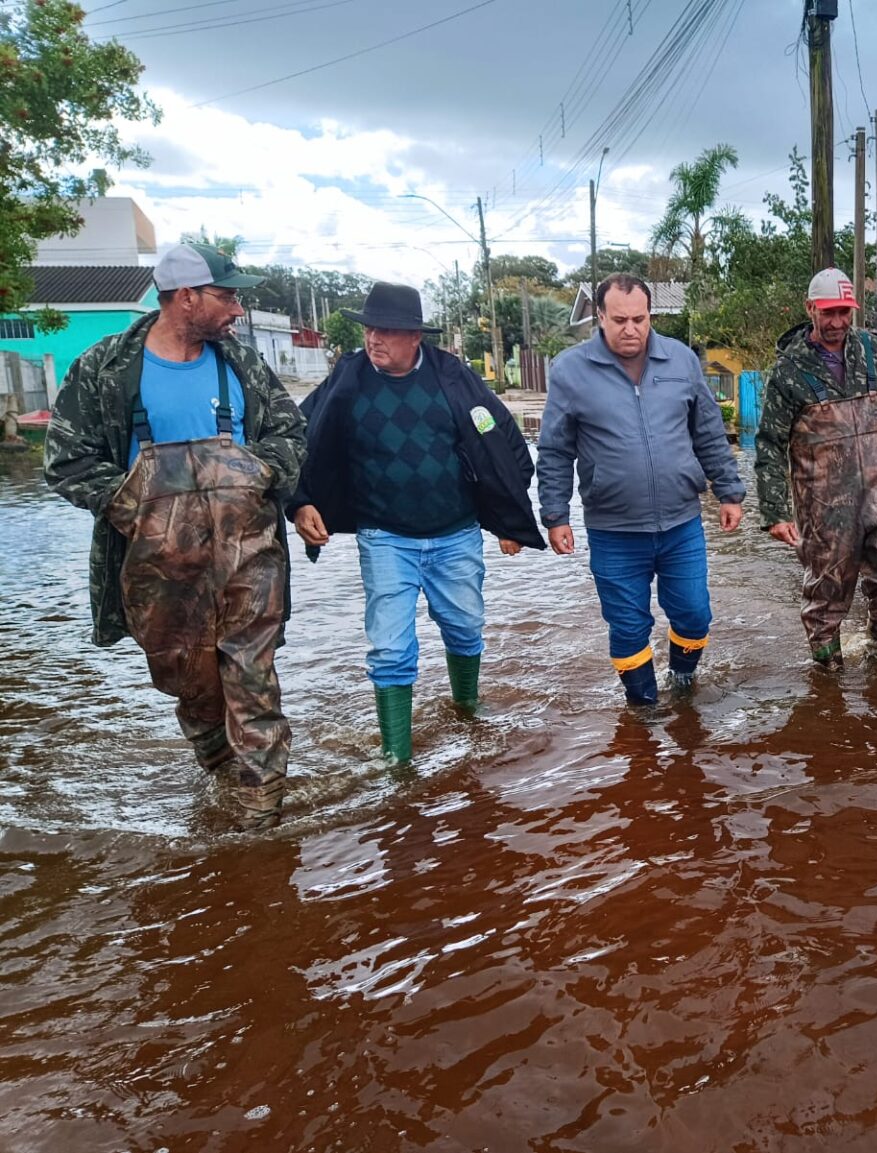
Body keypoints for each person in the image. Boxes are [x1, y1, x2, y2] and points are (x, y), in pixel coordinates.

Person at [43, 242, 306, 823]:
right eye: (227, 295)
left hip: (249, 553)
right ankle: (221, 780)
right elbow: (66, 462)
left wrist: (257, 471)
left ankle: (261, 821)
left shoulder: (241, 364)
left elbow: (291, 434)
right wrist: (133, 504)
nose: (237, 309)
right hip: (159, 564)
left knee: (252, 678)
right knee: (193, 682)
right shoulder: (106, 367)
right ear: (186, 297)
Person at [287, 282, 544, 764]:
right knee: (390, 649)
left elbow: (502, 441)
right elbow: (297, 437)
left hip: (456, 534)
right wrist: (300, 503)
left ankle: (466, 707)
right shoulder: (348, 379)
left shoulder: (453, 378)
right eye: (369, 329)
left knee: (465, 627)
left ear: (414, 337)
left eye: (386, 330)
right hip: (385, 538)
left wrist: (508, 519)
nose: (374, 339)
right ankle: (397, 762)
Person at [537, 273, 745, 705]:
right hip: (614, 529)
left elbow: (707, 430)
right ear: (600, 317)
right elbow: (555, 448)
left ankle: (683, 683)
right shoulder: (571, 370)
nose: (630, 329)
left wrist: (728, 491)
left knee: (694, 613)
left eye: (640, 319)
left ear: (650, 315)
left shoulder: (681, 360)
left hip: (681, 522)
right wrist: (554, 515)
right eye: (619, 320)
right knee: (628, 626)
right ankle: (644, 710)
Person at [754, 268, 877, 667]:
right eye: (829, 313)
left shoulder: (872, 351)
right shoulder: (789, 371)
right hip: (824, 501)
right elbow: (769, 443)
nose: (837, 323)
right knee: (827, 590)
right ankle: (827, 669)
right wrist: (774, 511)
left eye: (845, 313)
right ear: (810, 309)